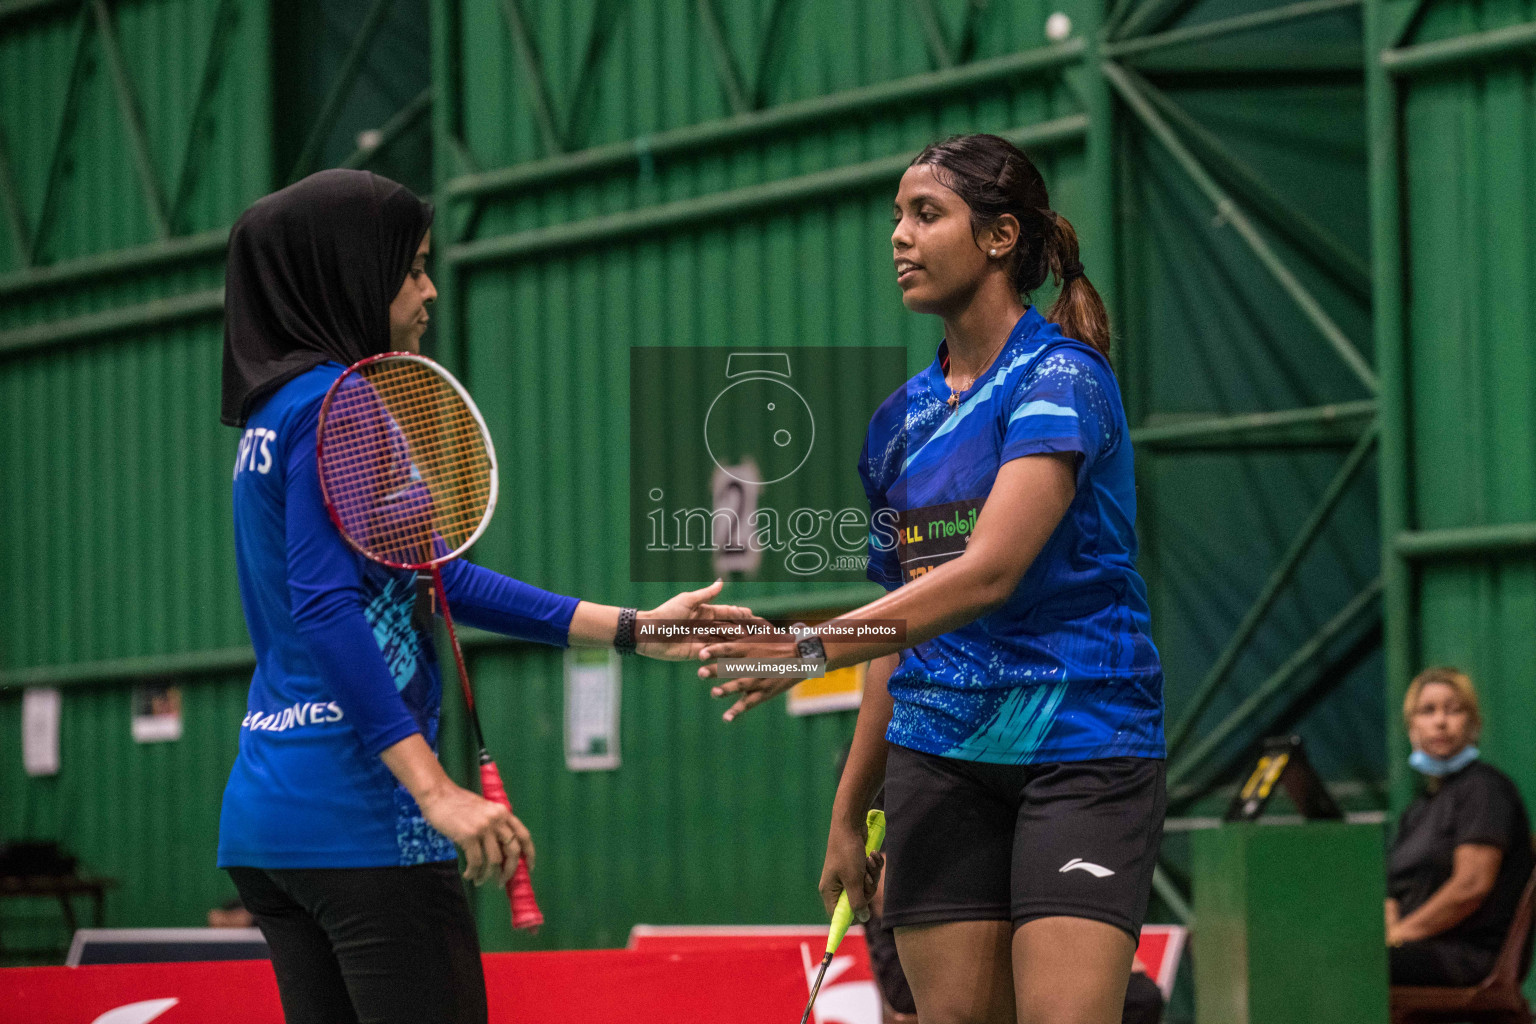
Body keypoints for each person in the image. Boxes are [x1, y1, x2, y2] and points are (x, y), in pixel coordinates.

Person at [217, 169, 752, 1024]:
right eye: (412, 268)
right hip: (364, 818)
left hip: (270, 814)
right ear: (349, 274)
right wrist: (435, 790)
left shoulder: (273, 416)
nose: (429, 290)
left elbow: (437, 577)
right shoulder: (339, 404)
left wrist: (631, 629)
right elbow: (325, 607)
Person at [699, 134, 1165, 1024]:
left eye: (926, 214)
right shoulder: (895, 425)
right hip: (939, 757)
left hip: (1082, 744)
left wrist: (807, 647)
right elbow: (897, 625)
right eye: (895, 219)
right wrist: (849, 808)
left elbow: (987, 573)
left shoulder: (1059, 380)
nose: (899, 238)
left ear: (999, 238)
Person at [1387, 667, 1534, 987]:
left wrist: (1399, 935)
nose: (1440, 721)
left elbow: (1471, 886)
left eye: (1454, 710)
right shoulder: (1417, 809)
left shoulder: (1485, 790)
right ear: (1412, 727)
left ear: (1474, 725)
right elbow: (1393, 892)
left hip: (1467, 957)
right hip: (1415, 949)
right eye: (1427, 711)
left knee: (1353, 965)